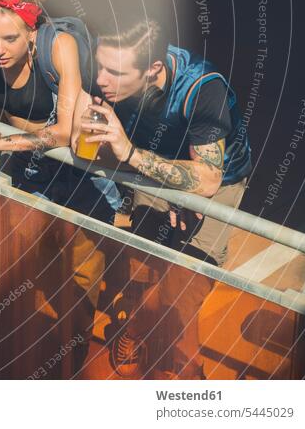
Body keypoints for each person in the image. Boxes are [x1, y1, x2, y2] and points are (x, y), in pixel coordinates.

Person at [0, 0, 120, 376]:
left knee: (79, 279)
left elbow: (64, 131)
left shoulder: (58, 46)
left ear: (30, 32)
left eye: (10, 39)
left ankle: (71, 367)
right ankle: (11, 359)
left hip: (81, 164)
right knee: (13, 264)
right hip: (27, 155)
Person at [72, 19, 252, 379]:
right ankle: (137, 329)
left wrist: (131, 154)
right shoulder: (107, 77)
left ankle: (184, 367)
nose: (102, 79)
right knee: (143, 260)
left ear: (153, 69)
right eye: (100, 66)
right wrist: (88, 127)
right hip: (149, 164)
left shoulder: (202, 88)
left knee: (187, 282)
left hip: (218, 178)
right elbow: (82, 146)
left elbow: (207, 180)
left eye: (115, 72)